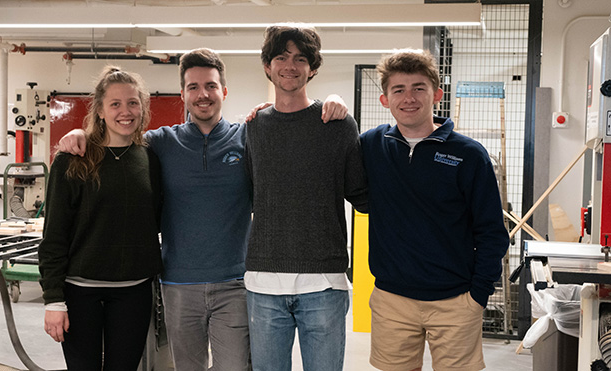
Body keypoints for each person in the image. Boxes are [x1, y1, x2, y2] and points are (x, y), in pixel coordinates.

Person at [56, 48, 349, 371]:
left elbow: (289, 121)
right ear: (182, 95)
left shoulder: (249, 135)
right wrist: (80, 133)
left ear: (223, 91)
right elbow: (119, 138)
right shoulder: (160, 144)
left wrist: (332, 100)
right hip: (179, 286)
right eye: (193, 87)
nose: (202, 94)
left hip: (235, 284)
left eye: (210, 85)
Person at [359, 49, 509, 371]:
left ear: (437, 95)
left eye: (419, 88)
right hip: (392, 300)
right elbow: (327, 141)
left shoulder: (469, 155)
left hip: (456, 301)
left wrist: (477, 296)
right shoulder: (371, 145)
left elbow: (492, 233)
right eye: (398, 89)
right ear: (385, 99)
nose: (408, 98)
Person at [244, 24, 368, 371]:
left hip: (325, 283)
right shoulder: (253, 127)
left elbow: (360, 192)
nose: (290, 65)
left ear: (313, 68)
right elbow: (250, 192)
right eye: (281, 57)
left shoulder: (339, 125)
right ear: (268, 65)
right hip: (263, 283)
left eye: (301, 58)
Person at [38, 65, 162, 370]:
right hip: (80, 293)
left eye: (133, 103)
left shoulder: (150, 159)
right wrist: (54, 300)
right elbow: (54, 235)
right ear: (100, 110)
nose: (126, 111)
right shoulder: (71, 160)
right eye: (115, 104)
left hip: (134, 292)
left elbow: (154, 221)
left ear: (143, 108)